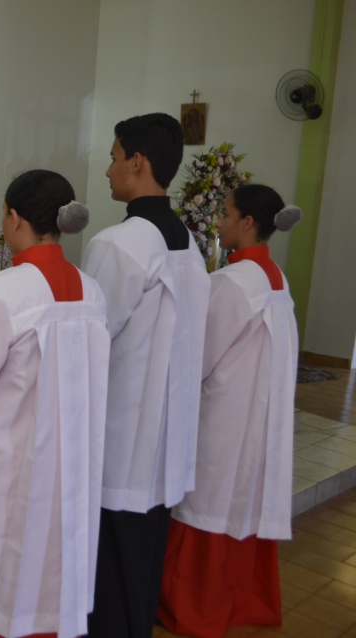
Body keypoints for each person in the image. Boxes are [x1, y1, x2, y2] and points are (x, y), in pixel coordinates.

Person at [0, 170, 110, 638]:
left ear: (13, 218)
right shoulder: (93, 293)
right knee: (49, 575)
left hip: (4, 473)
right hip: (67, 474)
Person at [82, 113, 211, 638]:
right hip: (166, 433)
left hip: (122, 431)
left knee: (110, 567)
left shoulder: (120, 242)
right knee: (143, 559)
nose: (109, 170)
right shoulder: (187, 240)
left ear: (137, 163)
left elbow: (92, 334)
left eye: (114, 158)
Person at [158, 185, 301, 637]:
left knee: (208, 502)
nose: (218, 221)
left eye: (226, 213)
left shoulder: (233, 283)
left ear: (247, 224)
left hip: (223, 415)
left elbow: (200, 356)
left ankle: (193, 608)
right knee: (241, 503)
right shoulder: (275, 277)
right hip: (257, 416)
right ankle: (244, 599)